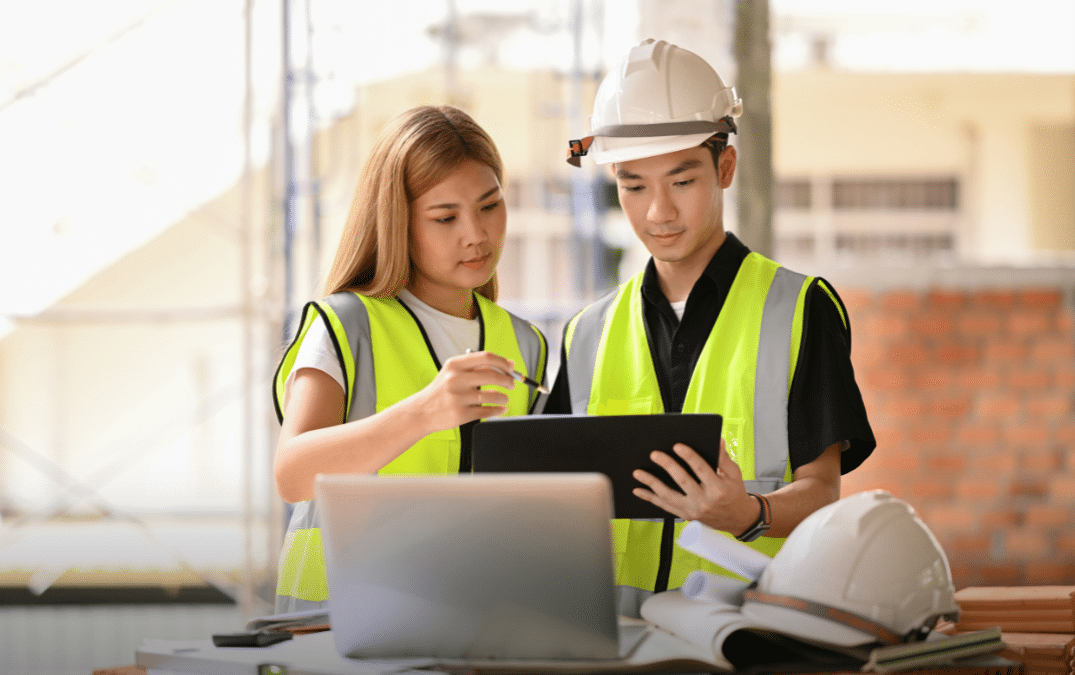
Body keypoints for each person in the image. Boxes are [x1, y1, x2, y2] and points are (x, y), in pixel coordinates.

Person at [547, 39, 876, 617]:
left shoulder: (800, 307)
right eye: (633, 185)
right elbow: (552, 498)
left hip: (757, 632)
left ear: (724, 167)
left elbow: (823, 491)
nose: (658, 212)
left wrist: (750, 516)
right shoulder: (586, 333)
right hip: (618, 637)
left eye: (681, 179)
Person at [272, 105, 548, 613]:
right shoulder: (346, 323)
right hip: (336, 627)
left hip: (470, 620)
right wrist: (424, 413)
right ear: (397, 222)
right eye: (445, 217)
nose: (477, 234)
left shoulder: (526, 343)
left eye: (490, 205)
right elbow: (292, 474)